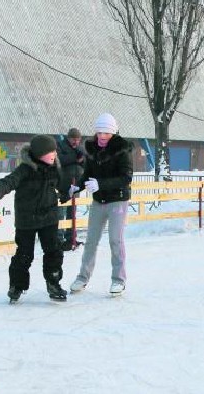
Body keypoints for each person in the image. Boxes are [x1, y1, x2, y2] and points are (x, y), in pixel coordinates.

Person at [0, 135, 67, 303]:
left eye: (55, 150)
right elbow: (6, 183)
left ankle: (53, 283)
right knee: (24, 254)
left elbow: (62, 184)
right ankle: (17, 286)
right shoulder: (25, 169)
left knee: (53, 251)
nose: (54, 154)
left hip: (49, 218)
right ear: (39, 154)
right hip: (27, 219)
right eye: (50, 151)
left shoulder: (55, 167)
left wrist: (66, 192)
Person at [69, 113, 133, 296]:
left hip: (117, 201)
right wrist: (77, 187)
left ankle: (118, 280)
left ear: (113, 132)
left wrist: (101, 184)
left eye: (106, 133)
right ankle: (82, 277)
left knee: (115, 239)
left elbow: (126, 177)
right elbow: (87, 173)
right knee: (91, 241)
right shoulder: (91, 149)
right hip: (98, 201)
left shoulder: (122, 149)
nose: (102, 136)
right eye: (99, 132)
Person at [57, 127, 85, 250]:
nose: (76, 142)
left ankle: (71, 238)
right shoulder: (61, 146)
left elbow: (85, 163)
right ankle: (58, 239)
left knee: (72, 213)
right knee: (60, 213)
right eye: (74, 139)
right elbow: (60, 161)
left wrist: (82, 159)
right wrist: (75, 158)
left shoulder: (80, 148)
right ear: (68, 138)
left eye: (78, 139)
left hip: (76, 185)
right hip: (63, 184)